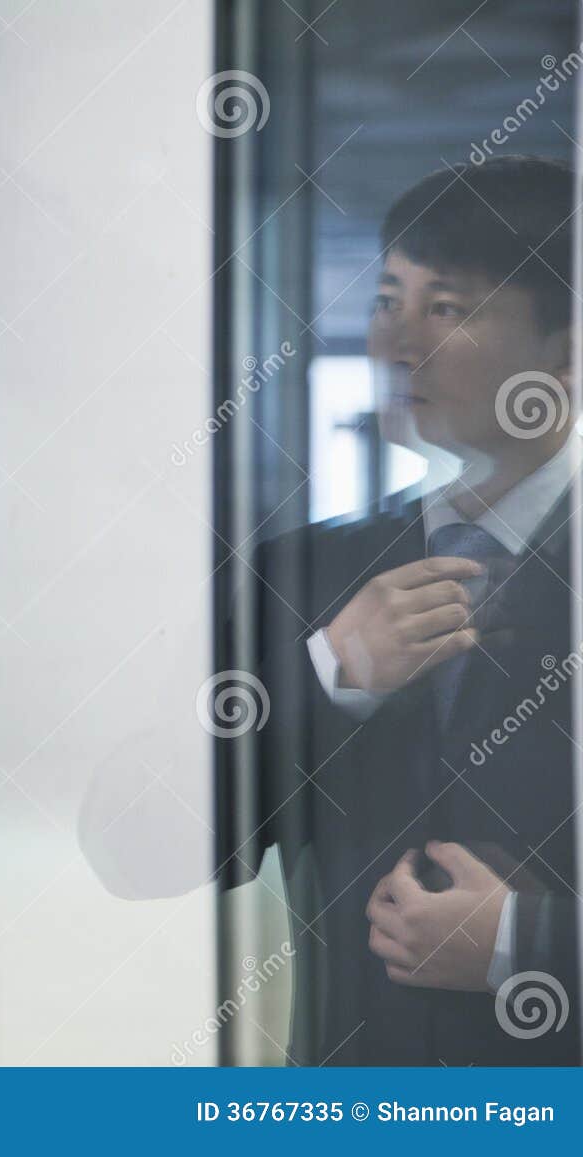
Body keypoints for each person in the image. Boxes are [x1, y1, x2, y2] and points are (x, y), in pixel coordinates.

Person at [240, 155, 579, 1064]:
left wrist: (531, 947)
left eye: (447, 308)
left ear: (566, 347)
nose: (393, 345)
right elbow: (140, 846)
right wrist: (327, 674)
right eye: (388, 300)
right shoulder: (304, 571)